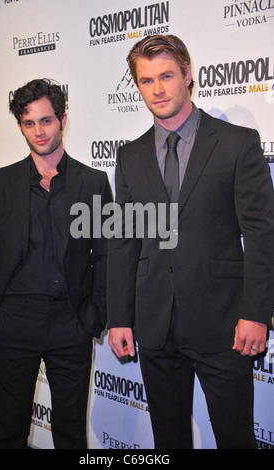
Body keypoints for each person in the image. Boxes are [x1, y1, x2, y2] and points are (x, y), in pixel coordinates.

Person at [107, 35, 274, 449]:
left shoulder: (238, 143)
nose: (157, 89)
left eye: (166, 76)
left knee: (235, 438)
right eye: (146, 81)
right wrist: (119, 317)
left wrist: (257, 313)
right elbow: (124, 243)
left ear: (187, 75)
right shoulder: (129, 156)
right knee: (169, 438)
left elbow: (260, 233)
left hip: (224, 323)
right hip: (155, 324)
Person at [0, 79, 112, 449]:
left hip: (71, 323)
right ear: (21, 125)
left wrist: (93, 316)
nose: (38, 131)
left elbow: (103, 253)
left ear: (63, 119)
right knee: (9, 431)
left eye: (47, 121)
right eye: (29, 123)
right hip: (13, 321)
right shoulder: (0, 182)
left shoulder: (94, 183)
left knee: (70, 434)